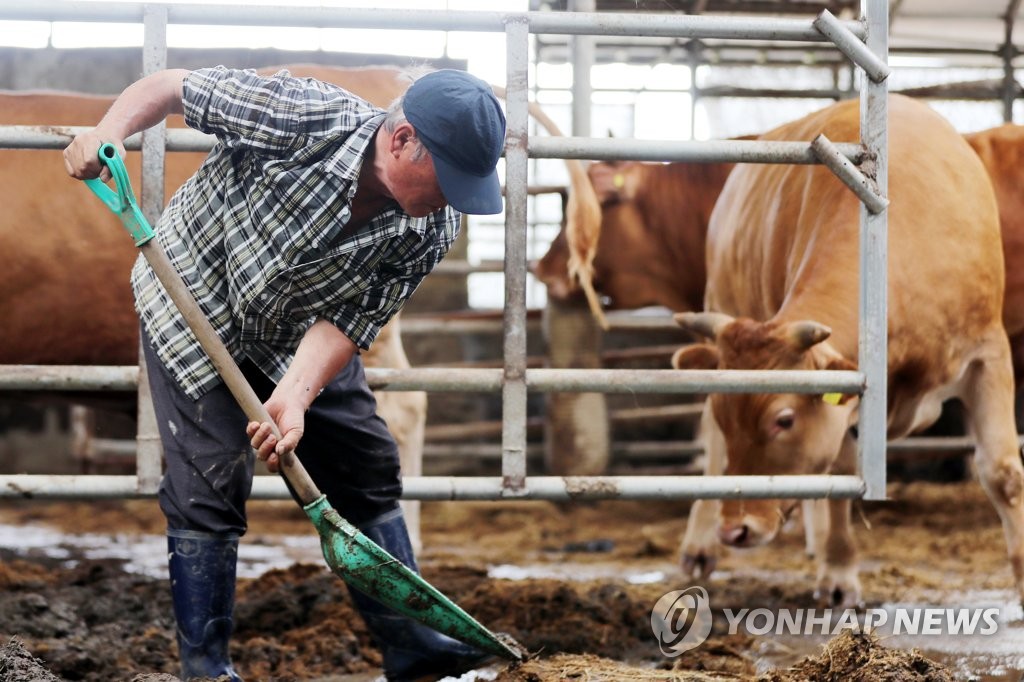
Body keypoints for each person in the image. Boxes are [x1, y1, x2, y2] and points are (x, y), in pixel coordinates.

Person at [64, 65, 506, 682]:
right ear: (403, 139)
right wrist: (106, 133)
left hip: (297, 332)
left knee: (366, 465)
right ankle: (207, 668)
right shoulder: (302, 114)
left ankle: (411, 644)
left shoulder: (433, 225)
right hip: (193, 301)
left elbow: (352, 317)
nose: (453, 198)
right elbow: (168, 87)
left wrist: (295, 397)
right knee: (211, 483)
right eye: (450, 178)